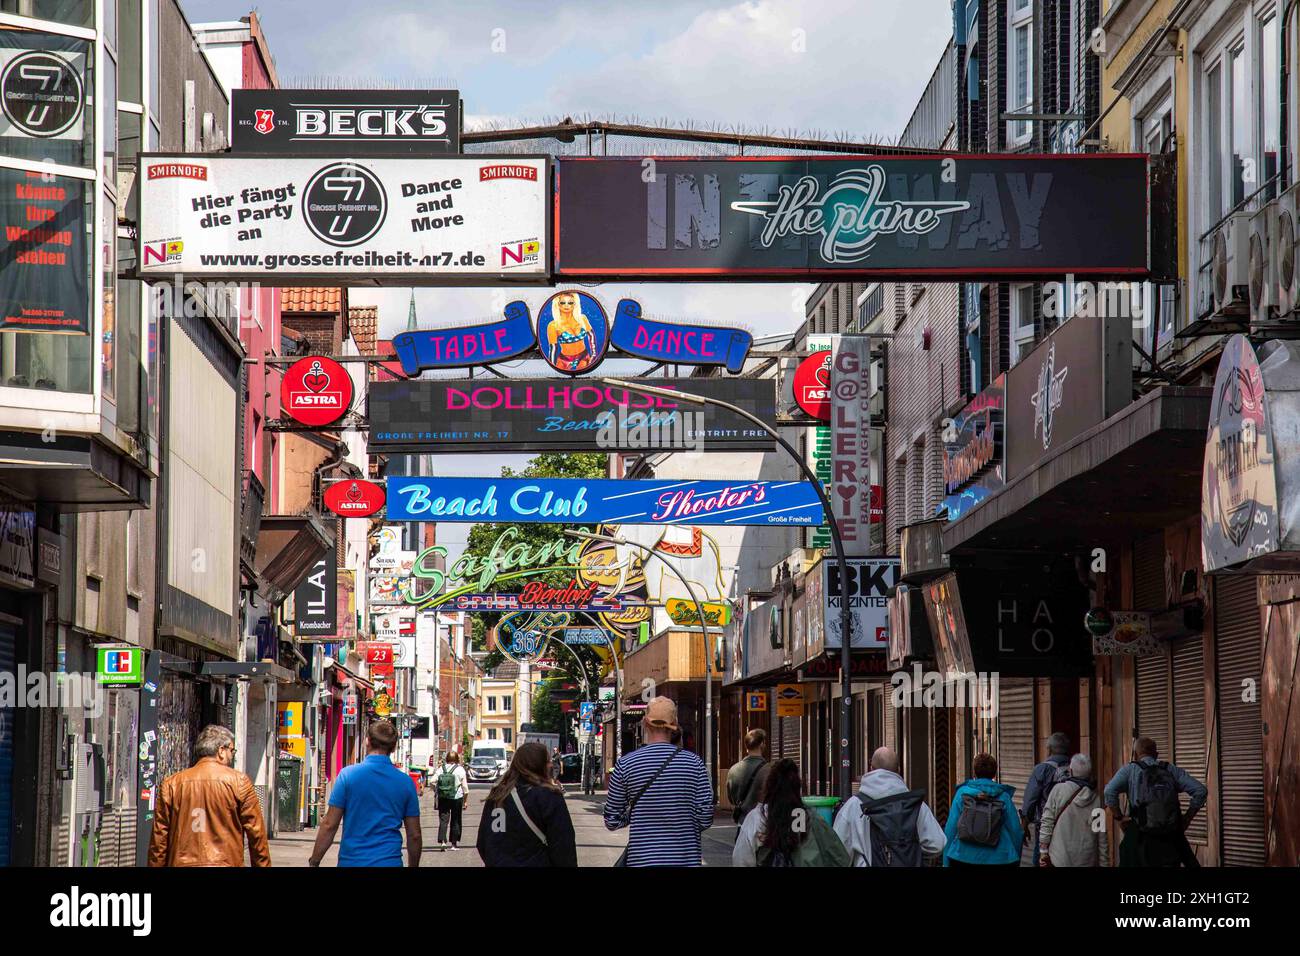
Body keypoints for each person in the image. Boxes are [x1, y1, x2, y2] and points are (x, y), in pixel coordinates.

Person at [603, 697, 713, 866]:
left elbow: (612, 820)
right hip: (685, 861)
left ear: (645, 723)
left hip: (642, 861)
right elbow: (705, 817)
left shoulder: (626, 764)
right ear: (674, 725)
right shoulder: (694, 764)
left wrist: (636, 813)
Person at [148, 724, 270, 867]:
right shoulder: (239, 782)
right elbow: (256, 834)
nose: (232, 756)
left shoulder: (172, 784)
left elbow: (159, 839)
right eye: (232, 751)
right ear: (221, 751)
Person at [308, 721, 420, 868]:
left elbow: (330, 824)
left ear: (367, 741)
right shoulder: (405, 783)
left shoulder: (348, 776)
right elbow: (414, 835)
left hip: (352, 861)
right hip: (389, 861)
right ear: (393, 747)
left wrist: (315, 861)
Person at [833, 746, 946, 866]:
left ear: (871, 768)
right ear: (899, 770)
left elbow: (838, 854)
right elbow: (938, 844)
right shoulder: (916, 805)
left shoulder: (853, 806)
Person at [1104, 736, 1207, 867]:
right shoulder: (1170, 770)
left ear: (1135, 755)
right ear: (1156, 754)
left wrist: (1119, 818)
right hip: (1171, 838)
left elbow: (1109, 791)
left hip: (1140, 836)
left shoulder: (1129, 770)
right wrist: (1187, 818)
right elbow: (1200, 791)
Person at [732, 758, 849, 867]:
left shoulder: (757, 819)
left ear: (769, 787)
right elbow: (838, 857)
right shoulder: (809, 818)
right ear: (797, 788)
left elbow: (741, 860)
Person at [476, 742, 577, 867]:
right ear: (538, 765)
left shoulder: (498, 795)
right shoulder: (548, 796)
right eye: (547, 761)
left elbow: (483, 842)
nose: (551, 764)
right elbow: (563, 846)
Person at [943, 752, 1024, 867]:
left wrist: (946, 861)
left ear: (974, 772)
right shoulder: (1003, 796)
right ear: (994, 774)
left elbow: (951, 828)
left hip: (962, 856)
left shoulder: (962, 793)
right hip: (999, 858)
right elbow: (1016, 831)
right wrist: (1015, 858)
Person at [1038, 753, 1109, 868]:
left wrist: (1043, 852)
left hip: (1059, 858)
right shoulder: (1097, 799)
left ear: (1070, 771)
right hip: (1087, 860)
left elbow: (1047, 821)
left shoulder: (1058, 791)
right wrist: (1105, 863)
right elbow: (1101, 836)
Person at [1022, 731, 1072, 866]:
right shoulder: (1076, 768)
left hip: (1046, 827)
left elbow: (1030, 799)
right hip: (1072, 825)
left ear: (1049, 750)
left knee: (1041, 860)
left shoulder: (1042, 769)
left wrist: (1025, 824)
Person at [725, 729, 769, 828]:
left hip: (742, 824)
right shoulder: (770, 770)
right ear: (762, 744)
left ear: (746, 746)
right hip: (764, 826)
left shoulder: (733, 770)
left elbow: (731, 799)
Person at [435, 750, 469, 850]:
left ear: (447, 759)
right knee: (456, 820)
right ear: (457, 759)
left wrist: (437, 791)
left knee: (443, 819)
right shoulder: (460, 770)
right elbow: (465, 789)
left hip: (443, 798)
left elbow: (432, 781)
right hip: (457, 797)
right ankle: (454, 844)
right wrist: (465, 801)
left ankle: (442, 842)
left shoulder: (441, 769)